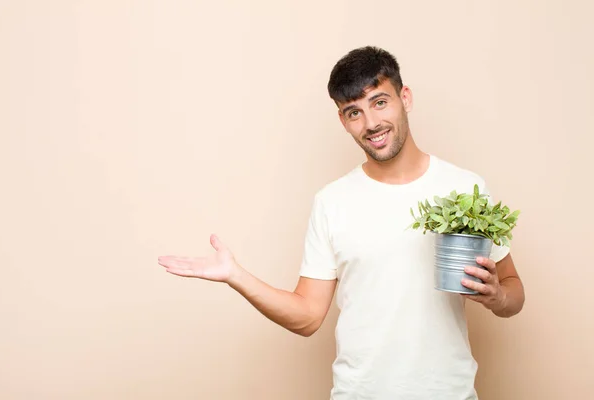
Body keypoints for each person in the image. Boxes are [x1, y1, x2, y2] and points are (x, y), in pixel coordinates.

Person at [158, 46, 525, 399]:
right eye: (354, 112)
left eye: (380, 102)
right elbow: (307, 318)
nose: (371, 123)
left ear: (405, 98)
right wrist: (236, 276)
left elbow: (513, 293)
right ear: (343, 120)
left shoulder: (464, 188)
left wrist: (496, 295)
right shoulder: (331, 202)